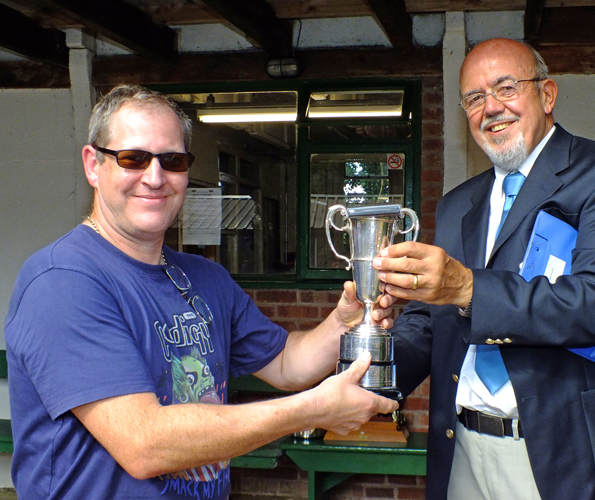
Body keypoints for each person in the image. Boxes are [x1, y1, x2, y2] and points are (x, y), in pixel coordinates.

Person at [4, 84, 398, 500]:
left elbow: (286, 364)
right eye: (133, 158)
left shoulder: (204, 277)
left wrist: (346, 322)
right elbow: (144, 445)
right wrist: (312, 409)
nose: (155, 178)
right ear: (93, 165)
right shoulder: (63, 281)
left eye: (172, 161)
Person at [373, 38, 595, 500]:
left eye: (505, 88)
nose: (491, 108)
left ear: (547, 94)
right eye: (474, 98)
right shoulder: (458, 205)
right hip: (464, 451)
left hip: (566, 457)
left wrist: (468, 287)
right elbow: (429, 324)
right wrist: (368, 363)